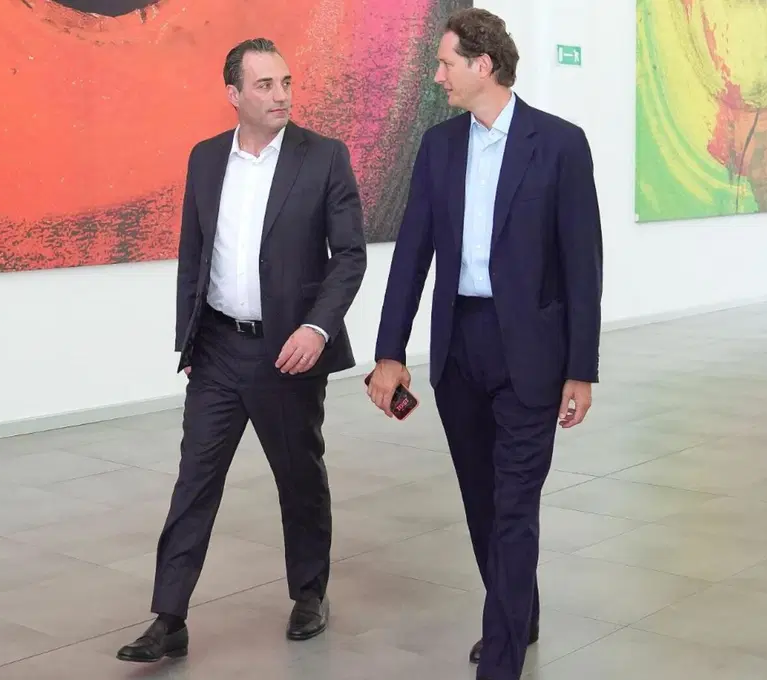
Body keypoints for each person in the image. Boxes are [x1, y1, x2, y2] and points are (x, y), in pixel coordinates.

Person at [365, 8, 603, 680]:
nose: (437, 76)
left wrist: (581, 369)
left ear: (483, 65)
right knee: (481, 499)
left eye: (446, 64)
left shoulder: (559, 144)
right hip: (459, 346)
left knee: (515, 506)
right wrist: (389, 352)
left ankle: (500, 659)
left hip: (531, 352)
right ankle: (518, 613)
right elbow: (412, 255)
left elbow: (583, 265)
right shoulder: (439, 146)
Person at [117, 37, 367, 663]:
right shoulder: (206, 159)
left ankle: (309, 594)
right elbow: (192, 256)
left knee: (299, 478)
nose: (281, 95)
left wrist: (316, 330)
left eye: (286, 82)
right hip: (218, 350)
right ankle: (168, 617)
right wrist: (190, 340)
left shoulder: (324, 157)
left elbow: (349, 256)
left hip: (289, 351)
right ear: (233, 94)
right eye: (265, 85)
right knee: (194, 481)